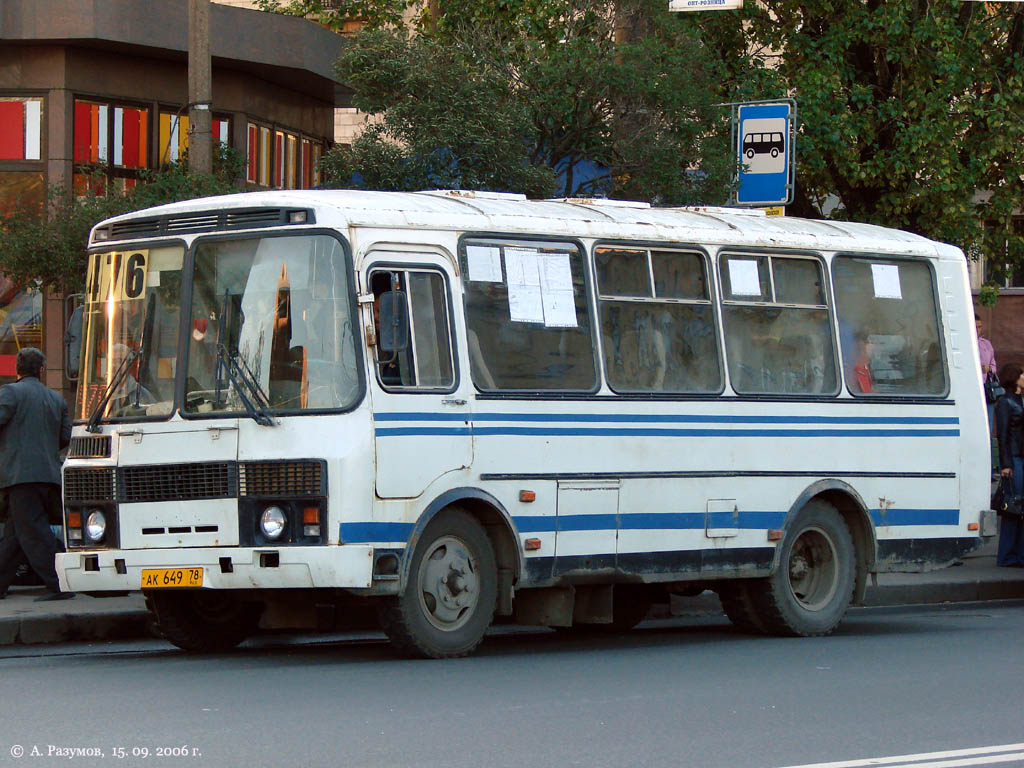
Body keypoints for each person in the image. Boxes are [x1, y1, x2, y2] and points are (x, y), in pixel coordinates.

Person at [0, 348, 73, 600]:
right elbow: (65, 437)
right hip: (48, 474)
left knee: (34, 532)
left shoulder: (9, 393)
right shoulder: (56, 399)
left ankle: (60, 583)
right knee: (17, 533)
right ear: (41, 370)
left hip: (20, 475)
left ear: (17, 369)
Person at [994, 362, 1024, 567]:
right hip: (1014, 460)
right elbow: (1002, 436)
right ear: (1014, 378)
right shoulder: (1006, 403)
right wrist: (1005, 464)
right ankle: (1007, 555)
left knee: (1019, 508)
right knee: (1014, 506)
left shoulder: (1019, 401)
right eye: (1022, 374)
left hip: (1020, 457)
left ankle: (1018, 554)